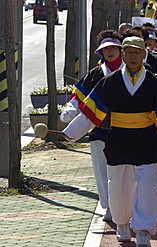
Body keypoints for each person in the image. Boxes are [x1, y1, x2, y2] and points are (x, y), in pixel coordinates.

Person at [62, 37, 157, 247]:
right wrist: (71, 132)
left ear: (144, 54)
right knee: (118, 187)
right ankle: (122, 223)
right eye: (129, 52)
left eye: (137, 52)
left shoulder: (155, 83)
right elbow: (91, 113)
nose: (133, 56)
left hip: (147, 141)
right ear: (123, 55)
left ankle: (144, 229)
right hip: (118, 140)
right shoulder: (108, 82)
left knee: (148, 187)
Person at [60, 30, 125, 222]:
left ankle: (125, 206)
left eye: (114, 48)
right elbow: (77, 96)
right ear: (101, 52)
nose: (110, 52)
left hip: (127, 130)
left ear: (121, 50)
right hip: (100, 131)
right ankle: (108, 207)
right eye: (106, 49)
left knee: (124, 172)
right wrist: (70, 110)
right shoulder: (95, 74)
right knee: (102, 171)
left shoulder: (130, 72)